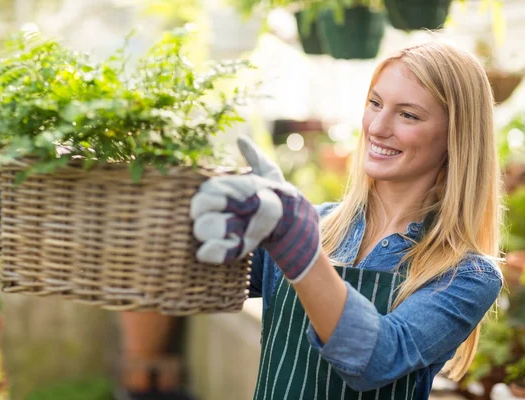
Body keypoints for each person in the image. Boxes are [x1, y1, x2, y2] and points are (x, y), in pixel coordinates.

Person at [190, 41, 503, 400]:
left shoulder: (464, 275)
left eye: (408, 115)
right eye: (375, 103)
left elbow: (375, 360)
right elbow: (193, 282)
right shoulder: (316, 225)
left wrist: (299, 247)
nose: (378, 127)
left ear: (456, 137)